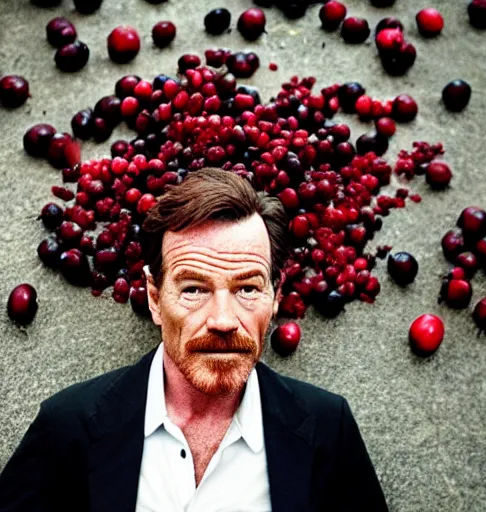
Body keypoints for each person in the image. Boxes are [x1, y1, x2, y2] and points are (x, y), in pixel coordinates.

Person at [0, 168, 388, 511]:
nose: (222, 320)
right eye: (194, 290)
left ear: (276, 296)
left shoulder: (328, 428)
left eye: (248, 289)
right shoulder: (67, 425)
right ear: (154, 297)